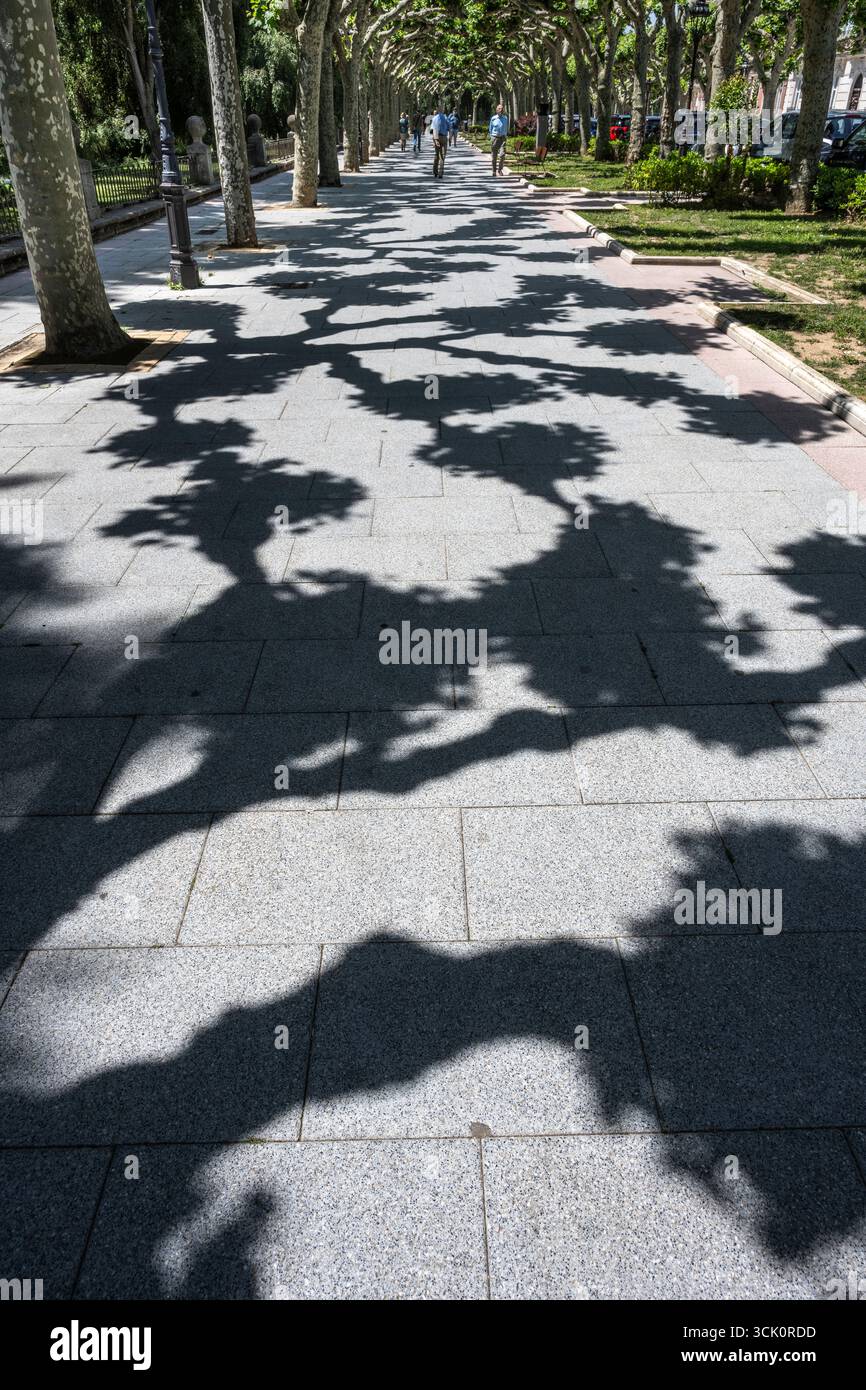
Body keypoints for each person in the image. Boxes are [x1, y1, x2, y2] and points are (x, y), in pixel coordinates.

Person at [489, 103, 509, 176]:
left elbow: (507, 127)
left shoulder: (505, 118)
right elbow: (490, 129)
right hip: (495, 138)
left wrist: (506, 135)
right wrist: (492, 137)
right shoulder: (493, 118)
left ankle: (500, 170)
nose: (501, 110)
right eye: (499, 108)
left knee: (502, 155)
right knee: (494, 156)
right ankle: (494, 171)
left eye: (502, 108)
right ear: (496, 110)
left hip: (503, 138)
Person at [430, 106, 450, 177]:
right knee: (442, 156)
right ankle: (440, 173)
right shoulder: (445, 118)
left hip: (437, 137)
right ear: (442, 110)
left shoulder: (434, 118)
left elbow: (432, 130)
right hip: (444, 137)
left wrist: (434, 140)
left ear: (437, 110)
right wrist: (450, 138)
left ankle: (435, 171)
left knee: (436, 155)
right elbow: (449, 127)